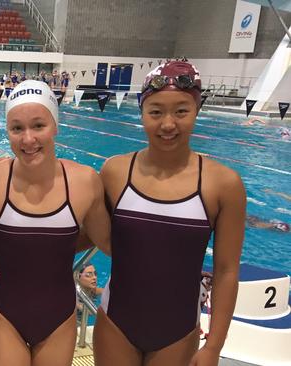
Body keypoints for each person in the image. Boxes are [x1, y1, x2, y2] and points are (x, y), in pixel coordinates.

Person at [95, 61, 246, 366]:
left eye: (181, 111)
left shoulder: (223, 184)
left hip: (177, 332)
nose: (167, 124)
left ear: (196, 110)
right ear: (141, 113)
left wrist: (214, 346)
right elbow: (92, 234)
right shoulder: (115, 171)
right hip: (115, 324)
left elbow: (227, 271)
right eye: (155, 112)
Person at [0, 80, 111, 365]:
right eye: (17, 128)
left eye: (38, 126)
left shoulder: (84, 181)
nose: (28, 139)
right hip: (6, 316)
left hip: (59, 319)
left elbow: (106, 241)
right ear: (7, 132)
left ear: (55, 126)